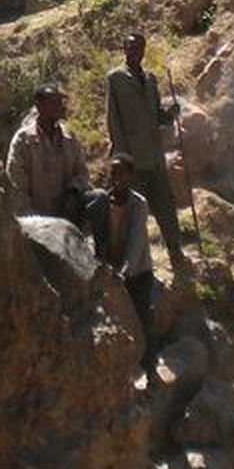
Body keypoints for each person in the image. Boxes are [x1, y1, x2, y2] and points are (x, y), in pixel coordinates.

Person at [104, 32, 189, 274]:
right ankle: (136, 262)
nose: (134, 52)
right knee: (134, 212)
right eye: (130, 48)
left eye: (138, 48)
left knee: (165, 205)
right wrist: (121, 159)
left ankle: (175, 250)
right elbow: (113, 119)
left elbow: (156, 116)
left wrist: (169, 113)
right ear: (123, 50)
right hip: (131, 159)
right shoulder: (115, 78)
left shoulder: (151, 79)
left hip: (154, 156)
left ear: (143, 50)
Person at [85, 153, 160, 369]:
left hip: (137, 272)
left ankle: (151, 371)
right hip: (113, 271)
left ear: (130, 176)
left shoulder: (139, 205)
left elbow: (137, 241)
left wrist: (125, 270)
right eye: (113, 173)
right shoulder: (102, 204)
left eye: (121, 174)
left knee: (143, 319)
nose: (116, 178)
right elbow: (93, 235)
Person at [6, 83, 90, 219]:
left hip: (67, 209)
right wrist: (30, 216)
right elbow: (16, 184)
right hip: (38, 214)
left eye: (59, 102)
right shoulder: (23, 140)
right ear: (39, 106)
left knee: (99, 198)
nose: (58, 107)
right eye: (53, 103)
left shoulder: (69, 137)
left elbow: (82, 172)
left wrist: (74, 190)